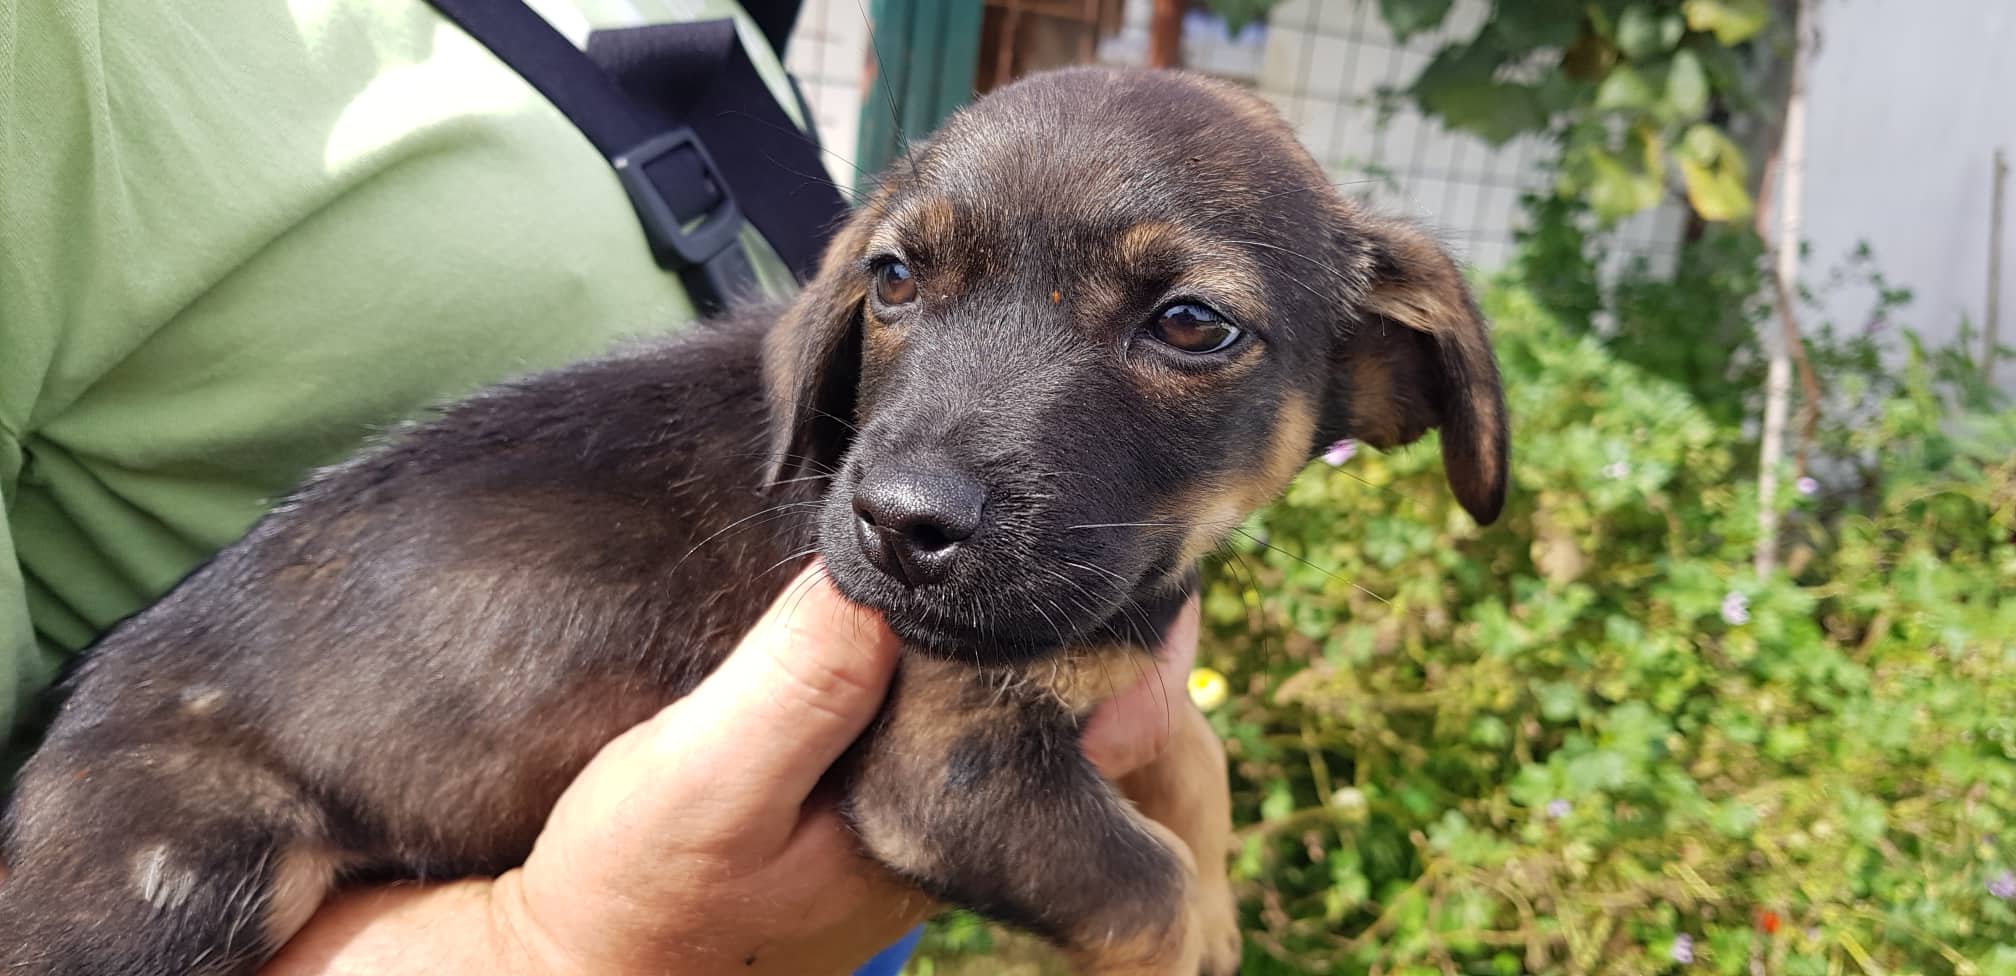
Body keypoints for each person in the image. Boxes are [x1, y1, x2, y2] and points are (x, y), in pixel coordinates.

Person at [0, 2, 1198, 973]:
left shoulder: (717, 17)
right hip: (241, 785)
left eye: (1190, 327)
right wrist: (535, 950)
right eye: (896, 279)